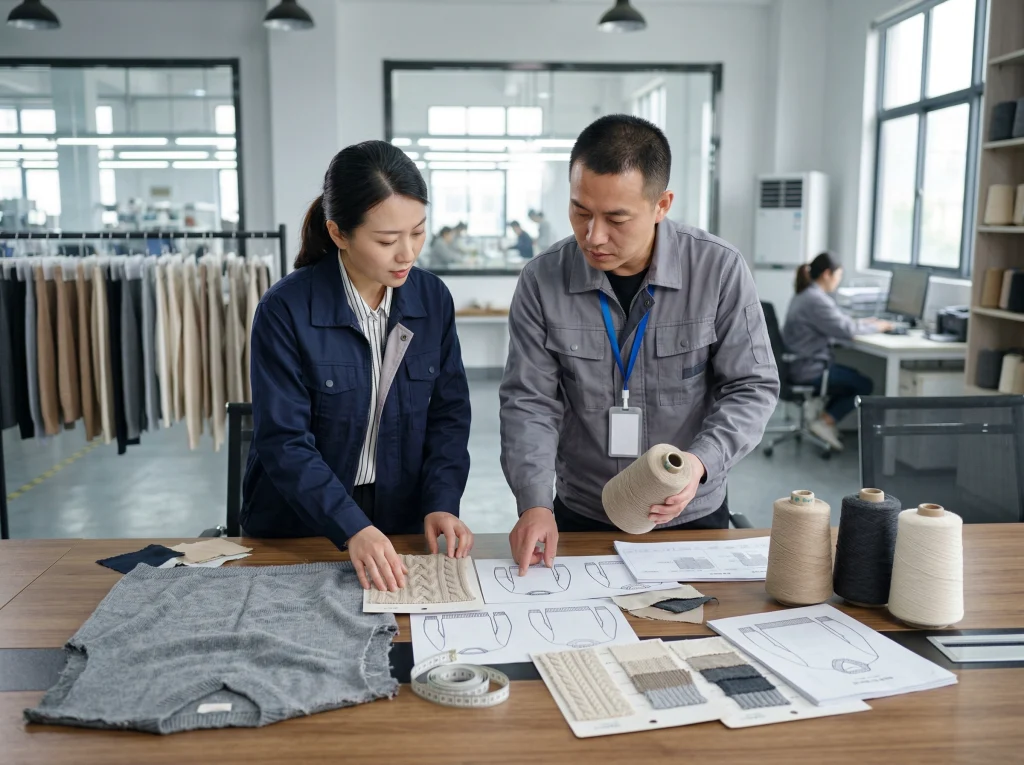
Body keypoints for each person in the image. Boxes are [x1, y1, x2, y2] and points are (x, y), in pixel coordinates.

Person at [499, 114, 780, 571]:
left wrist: (698, 464)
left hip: (689, 508)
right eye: (580, 211)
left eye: (616, 218)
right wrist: (534, 502)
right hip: (585, 509)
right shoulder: (542, 280)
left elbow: (753, 387)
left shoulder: (718, 270)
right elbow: (529, 402)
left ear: (661, 204)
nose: (593, 236)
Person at [241, 140, 474, 592]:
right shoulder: (285, 309)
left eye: (418, 232)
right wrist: (350, 526)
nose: (407, 253)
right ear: (338, 234)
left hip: (399, 522)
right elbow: (284, 441)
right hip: (303, 523)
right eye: (387, 240)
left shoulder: (431, 300)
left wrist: (442, 502)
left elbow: (449, 415)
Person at [782, 252, 891, 452]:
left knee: (853, 377)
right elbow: (847, 330)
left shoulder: (807, 295)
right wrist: (880, 326)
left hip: (800, 364)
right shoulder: (815, 299)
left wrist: (865, 323)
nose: (839, 281)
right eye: (838, 276)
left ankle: (824, 419)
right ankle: (825, 421)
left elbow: (841, 323)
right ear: (827, 274)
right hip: (811, 369)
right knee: (863, 384)